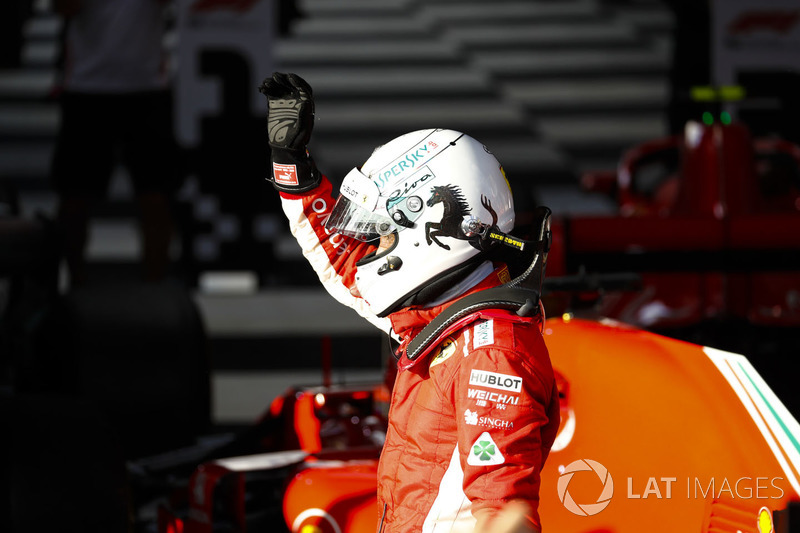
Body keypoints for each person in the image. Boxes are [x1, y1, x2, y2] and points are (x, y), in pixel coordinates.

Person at [259, 72, 560, 532]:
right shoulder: (438, 323)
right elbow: (344, 264)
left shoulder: (491, 355)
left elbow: (506, 513)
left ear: (428, 227)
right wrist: (291, 167)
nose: (370, 254)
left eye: (381, 236)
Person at [50, 0, 180, 287]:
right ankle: (75, 282)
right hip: (87, 87)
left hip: (146, 87)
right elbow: (62, 7)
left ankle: (154, 285)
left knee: (156, 194)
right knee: (75, 197)